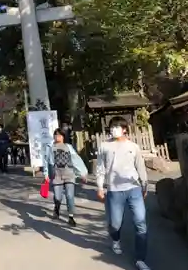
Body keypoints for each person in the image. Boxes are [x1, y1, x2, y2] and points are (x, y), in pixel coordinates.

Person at [96, 116, 149, 270]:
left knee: (141, 222)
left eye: (117, 127)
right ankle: (116, 240)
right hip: (114, 190)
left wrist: (144, 185)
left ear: (125, 129)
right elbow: (100, 168)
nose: (114, 129)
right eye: (112, 127)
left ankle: (140, 259)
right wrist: (100, 187)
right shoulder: (104, 146)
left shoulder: (133, 146)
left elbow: (140, 166)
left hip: (134, 189)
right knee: (115, 223)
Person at [44, 128, 88, 227]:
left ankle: (71, 217)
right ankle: (57, 208)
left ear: (63, 137)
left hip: (69, 174)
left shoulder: (68, 147)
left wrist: (83, 173)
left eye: (59, 135)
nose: (57, 137)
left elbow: (76, 159)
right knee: (58, 197)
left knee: (69, 196)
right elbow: (47, 162)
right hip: (56, 175)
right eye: (55, 135)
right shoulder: (50, 147)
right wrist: (46, 175)